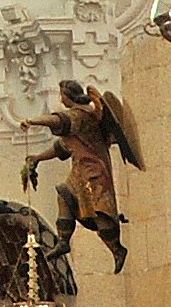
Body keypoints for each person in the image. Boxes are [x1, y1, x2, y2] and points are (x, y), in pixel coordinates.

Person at [27, 78, 141, 271]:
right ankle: (63, 241)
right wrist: (37, 158)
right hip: (80, 172)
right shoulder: (81, 120)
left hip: (93, 171)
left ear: (68, 96)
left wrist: (32, 121)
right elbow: (62, 147)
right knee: (65, 194)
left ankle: (117, 249)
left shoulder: (81, 116)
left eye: (61, 94)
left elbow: (59, 120)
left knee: (99, 213)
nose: (61, 99)